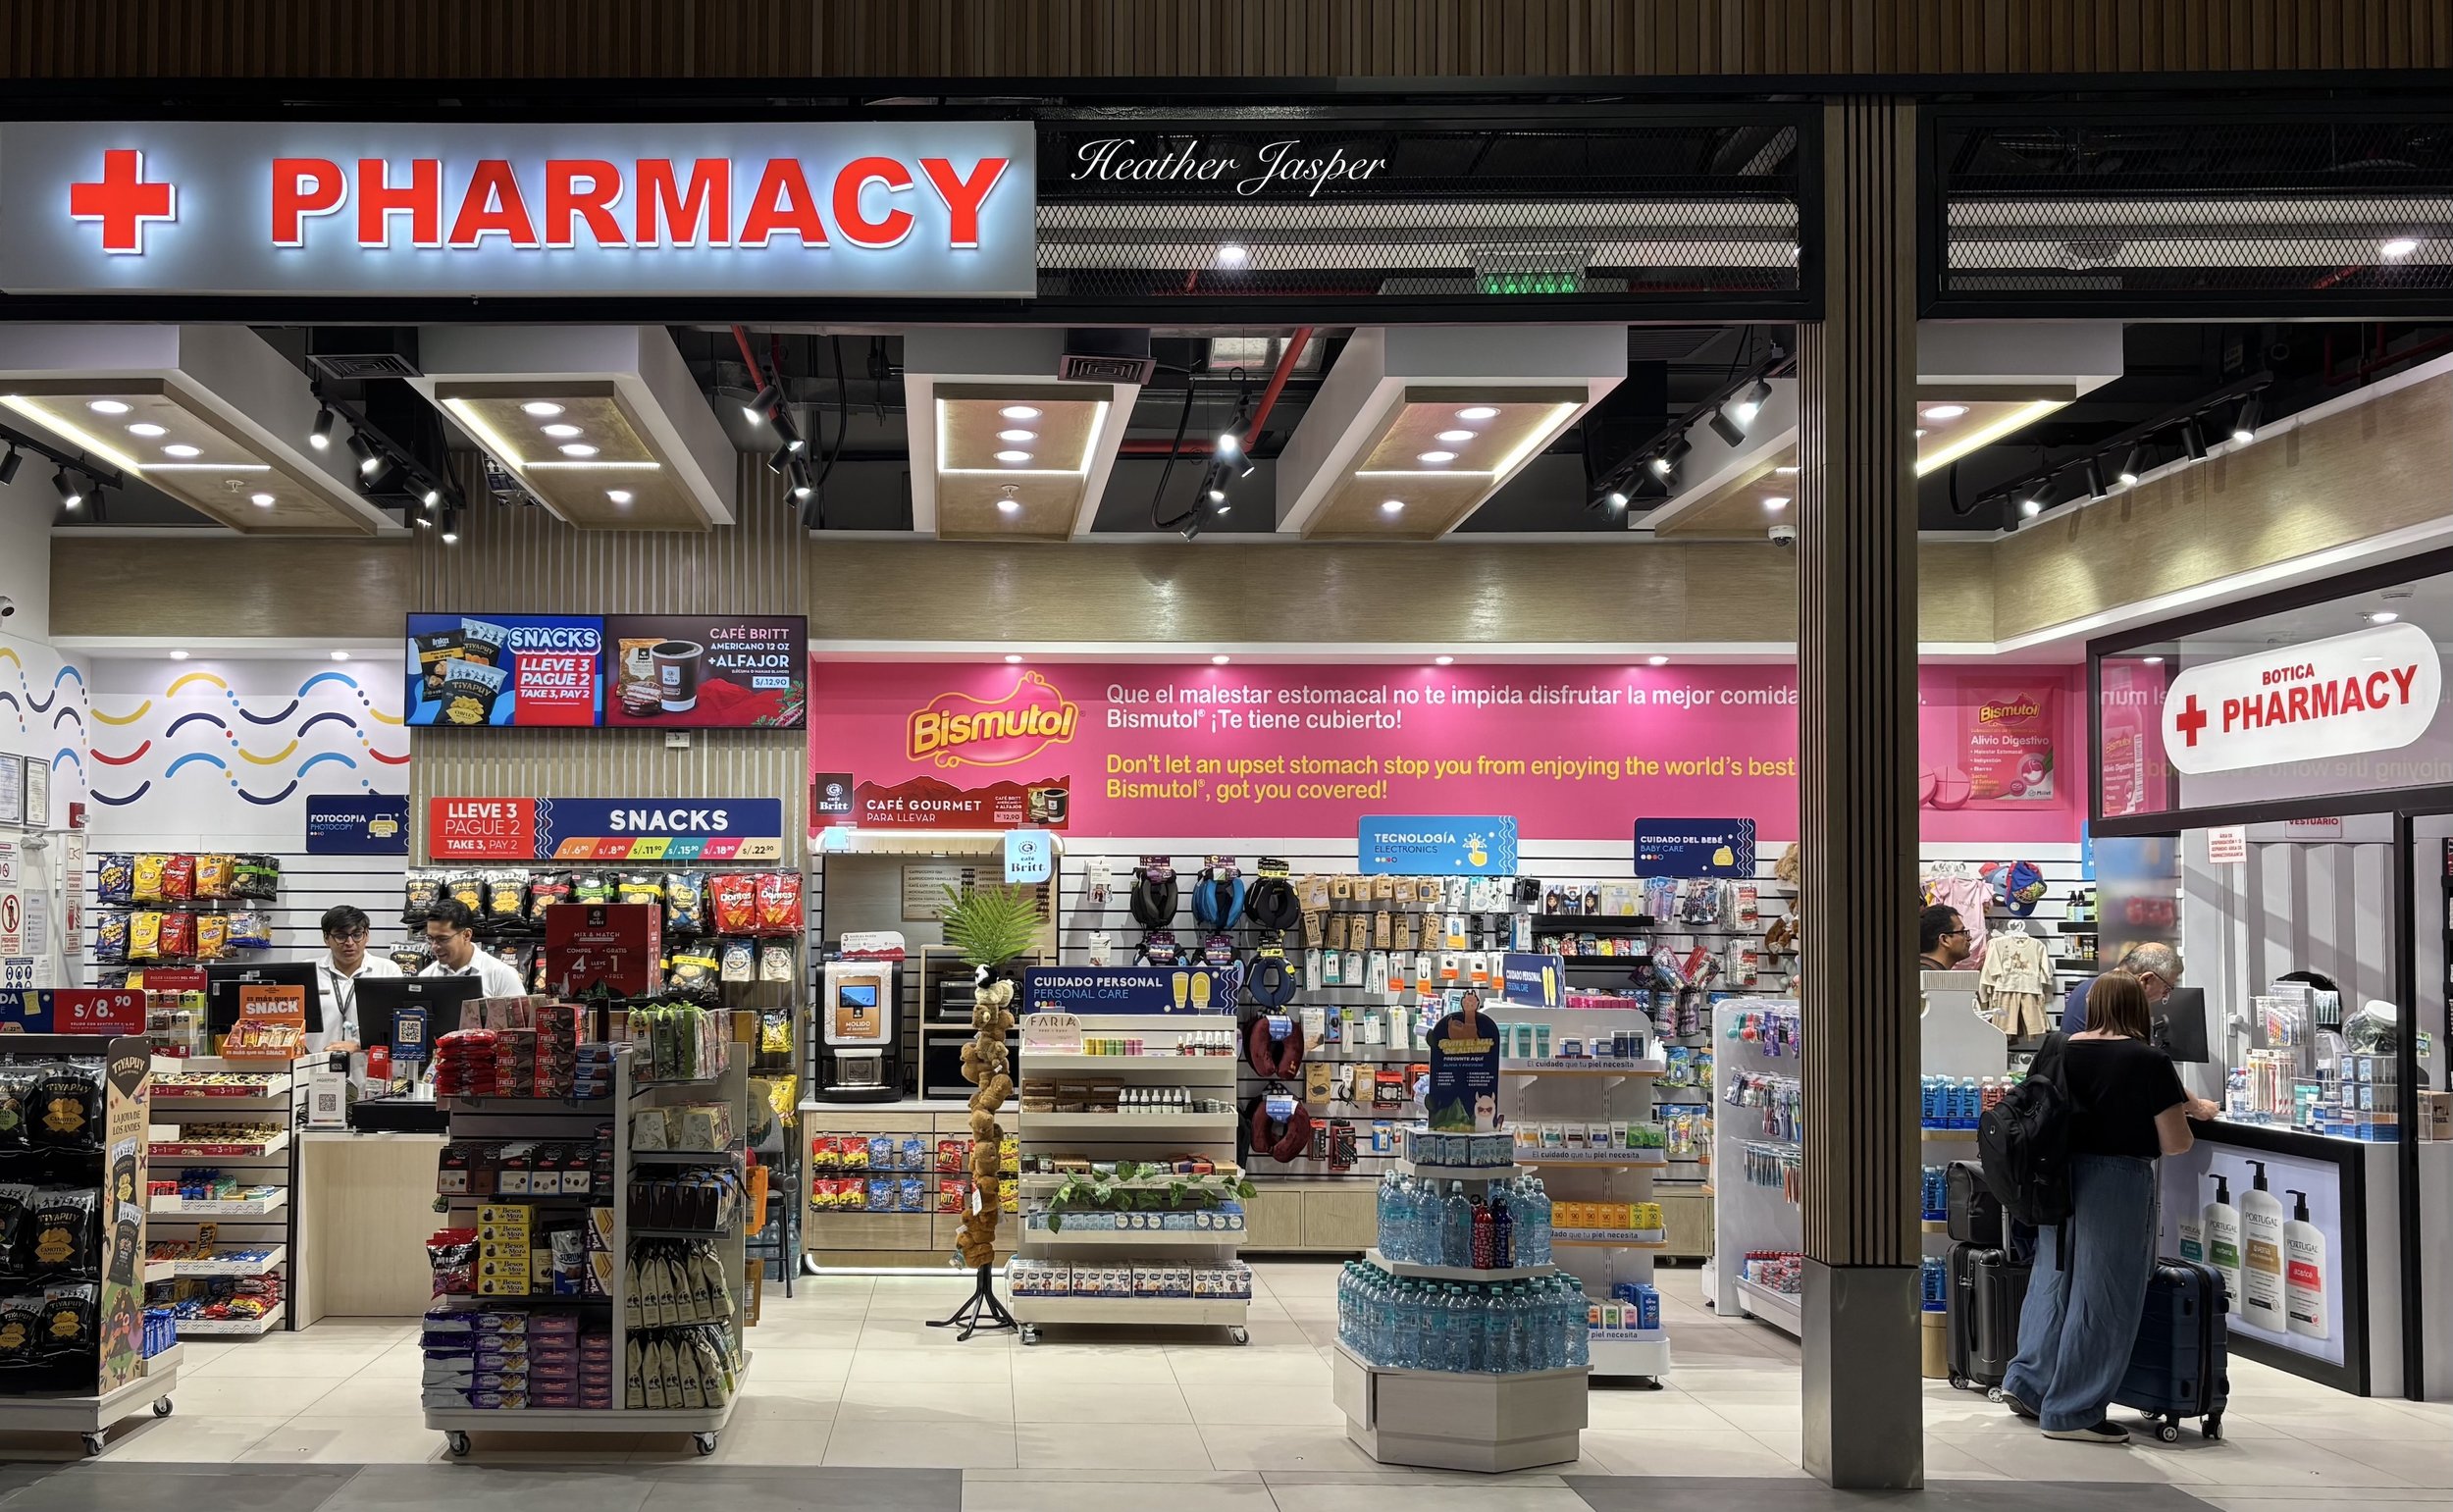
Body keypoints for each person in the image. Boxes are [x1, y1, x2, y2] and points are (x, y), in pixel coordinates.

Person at [2002, 972, 2206, 1443]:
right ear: (2140, 1006)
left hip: (2054, 1178)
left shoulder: (2060, 1047)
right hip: (2116, 1180)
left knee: (2052, 1281)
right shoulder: (2148, 1060)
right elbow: (2175, 1142)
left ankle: (2028, 1385)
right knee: (2105, 1293)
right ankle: (2073, 1411)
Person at [310, 903, 401, 1054]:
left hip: (370, 1071)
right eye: (340, 936)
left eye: (357, 935)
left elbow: (398, 1029)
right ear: (326, 938)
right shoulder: (310, 973)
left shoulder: (388, 970)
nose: (350, 943)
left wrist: (359, 1046)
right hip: (316, 1070)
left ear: (367, 936)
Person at [2062, 940, 2183, 1033]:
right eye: (2166, 988)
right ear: (2146, 979)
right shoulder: (2120, 1000)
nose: (2165, 996)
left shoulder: (2089, 986)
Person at [419, 898, 527, 999]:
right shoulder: (426, 977)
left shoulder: (501, 975)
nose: (434, 947)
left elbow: (519, 1018)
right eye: (430, 938)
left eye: (443, 939)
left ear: (466, 935)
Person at [1918, 905, 1972, 973]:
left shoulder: (1915, 971)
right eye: (1962, 932)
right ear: (1944, 940)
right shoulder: (1931, 977)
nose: (1969, 938)